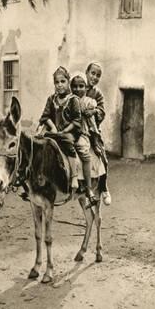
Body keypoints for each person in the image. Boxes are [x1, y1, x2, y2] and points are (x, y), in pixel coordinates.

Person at [37, 67, 97, 206]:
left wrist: (63, 131)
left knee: (67, 142)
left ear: (68, 82)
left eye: (63, 81)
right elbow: (45, 116)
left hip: (70, 132)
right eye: (57, 82)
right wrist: (53, 127)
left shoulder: (73, 100)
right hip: (55, 131)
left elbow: (76, 120)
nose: (59, 85)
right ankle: (38, 180)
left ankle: (75, 178)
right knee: (40, 142)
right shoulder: (51, 99)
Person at [84, 62, 111, 205]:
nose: (94, 77)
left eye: (98, 75)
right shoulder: (78, 86)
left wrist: (94, 111)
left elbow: (102, 111)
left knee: (102, 157)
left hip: (92, 131)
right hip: (77, 127)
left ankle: (104, 187)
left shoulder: (97, 93)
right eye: (92, 73)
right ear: (86, 72)